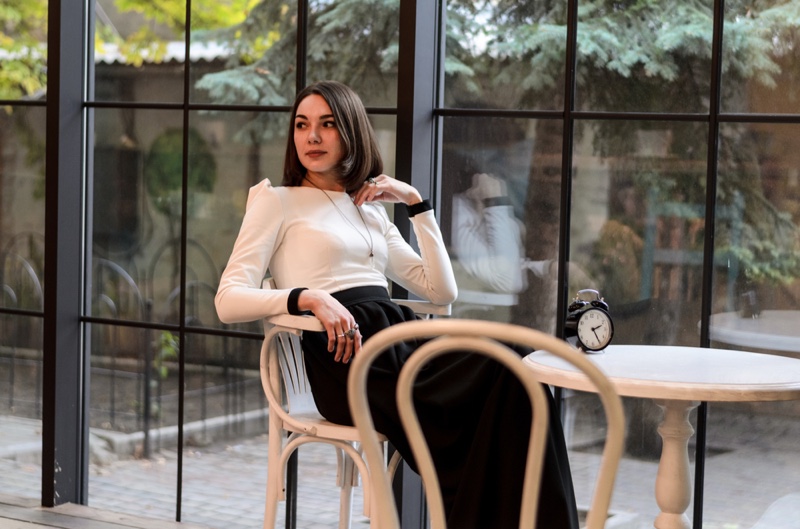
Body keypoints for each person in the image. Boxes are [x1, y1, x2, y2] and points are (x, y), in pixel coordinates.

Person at [215, 80, 579, 529]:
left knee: (521, 373)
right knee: (504, 371)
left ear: (351, 132)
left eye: (327, 125)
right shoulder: (277, 201)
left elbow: (441, 291)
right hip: (344, 357)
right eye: (302, 125)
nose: (311, 137)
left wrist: (416, 205)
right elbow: (228, 299)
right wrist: (307, 297)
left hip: (398, 337)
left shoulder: (371, 210)